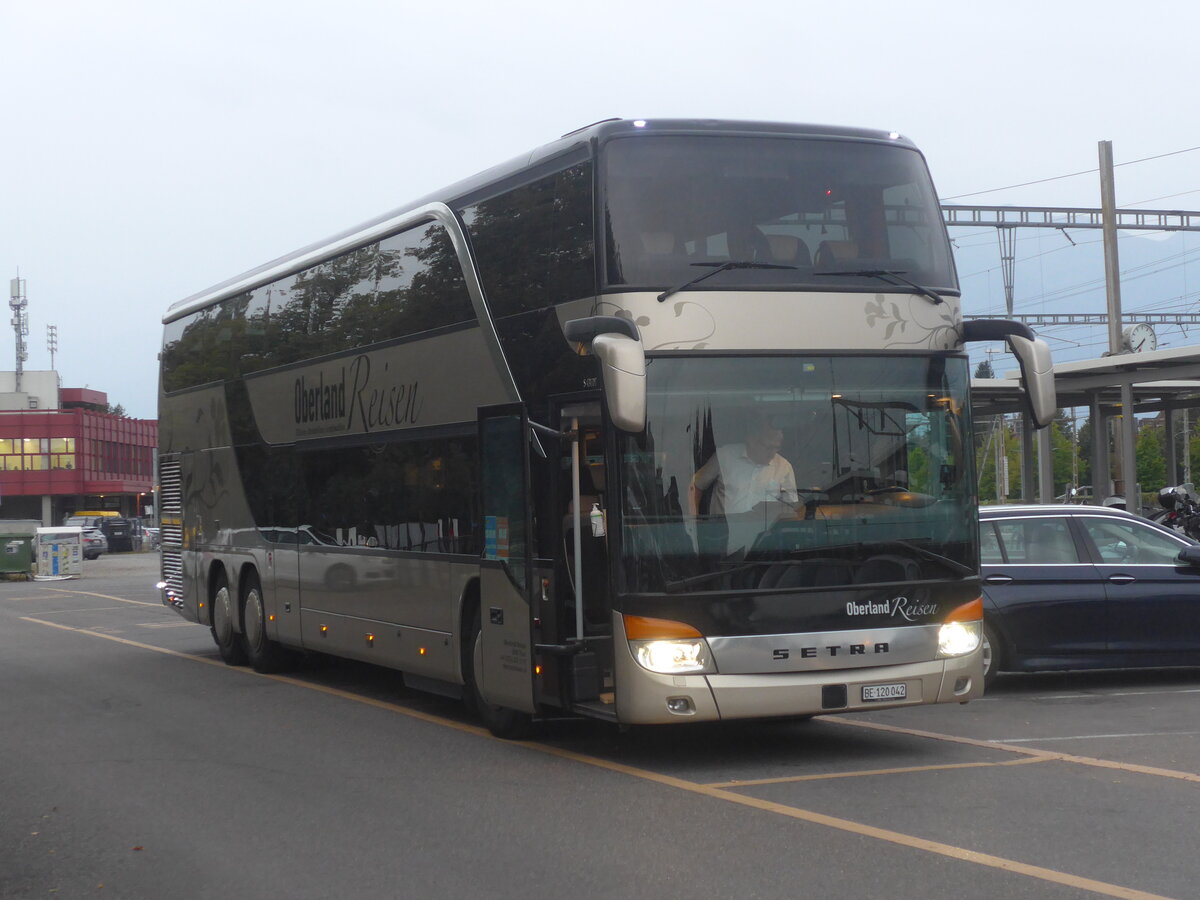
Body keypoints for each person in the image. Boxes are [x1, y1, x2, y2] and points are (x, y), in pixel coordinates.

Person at [688, 413, 798, 555]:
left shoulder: (784, 467)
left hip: (764, 548)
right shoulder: (725, 456)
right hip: (721, 541)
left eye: (776, 447)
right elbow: (695, 486)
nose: (772, 453)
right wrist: (694, 522)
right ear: (751, 439)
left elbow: (793, 510)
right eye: (768, 447)